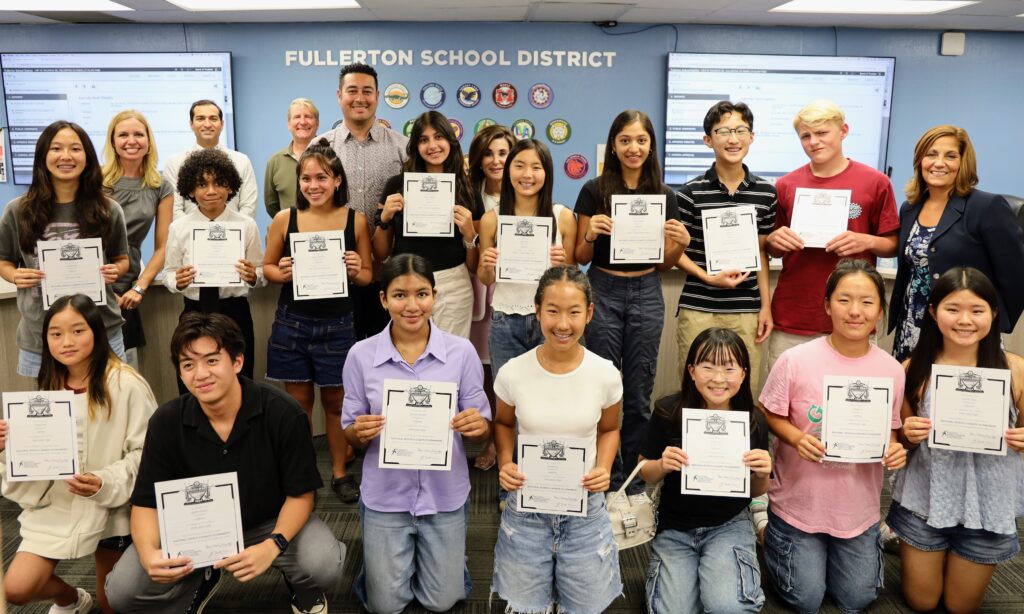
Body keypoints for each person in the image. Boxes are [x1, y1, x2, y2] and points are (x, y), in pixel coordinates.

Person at [105, 313, 344, 614]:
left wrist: (273, 545)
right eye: (188, 365)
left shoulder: (283, 413)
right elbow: (146, 503)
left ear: (238, 362)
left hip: (268, 522)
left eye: (212, 360)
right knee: (123, 591)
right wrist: (148, 552)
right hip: (192, 529)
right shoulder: (166, 422)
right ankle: (199, 580)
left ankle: (302, 590)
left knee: (321, 564)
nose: (200, 374)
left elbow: (301, 495)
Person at [342, 254, 491, 613]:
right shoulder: (360, 355)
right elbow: (349, 429)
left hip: (443, 495)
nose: (412, 305)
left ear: (435, 297)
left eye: (422, 294)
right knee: (386, 606)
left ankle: (447, 564)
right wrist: (358, 433)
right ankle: (385, 569)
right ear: (383, 300)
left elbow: (482, 425)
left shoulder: (462, 352)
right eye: (399, 295)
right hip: (385, 496)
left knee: (440, 602)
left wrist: (477, 426)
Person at [759, 259, 908, 613]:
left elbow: (890, 433)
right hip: (800, 503)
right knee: (805, 599)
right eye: (844, 300)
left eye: (867, 302)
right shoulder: (796, 360)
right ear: (827, 305)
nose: (855, 311)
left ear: (880, 310)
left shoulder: (890, 369)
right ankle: (767, 528)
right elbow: (771, 412)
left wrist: (895, 449)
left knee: (858, 598)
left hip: (857, 508)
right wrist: (796, 438)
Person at [1, 294, 156, 614]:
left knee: (112, 602)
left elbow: (149, 453)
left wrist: (103, 481)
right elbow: (38, 458)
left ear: (97, 333)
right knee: (15, 589)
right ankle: (71, 599)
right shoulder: (50, 386)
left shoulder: (127, 384)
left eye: (78, 331)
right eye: (55, 334)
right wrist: (8, 450)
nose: (66, 341)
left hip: (112, 507)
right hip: (58, 502)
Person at [888, 267, 1024, 613]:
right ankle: (902, 539)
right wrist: (908, 436)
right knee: (922, 602)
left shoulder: (1016, 369)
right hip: (927, 500)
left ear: (993, 314)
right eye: (953, 309)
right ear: (933, 313)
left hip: (987, 504)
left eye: (977, 310)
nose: (965, 320)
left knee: (960, 608)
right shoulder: (912, 369)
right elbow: (901, 445)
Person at [491, 265, 623, 614]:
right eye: (552, 311)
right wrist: (505, 462)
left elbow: (609, 430)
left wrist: (604, 467)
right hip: (527, 506)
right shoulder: (512, 372)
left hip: (584, 505)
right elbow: (503, 424)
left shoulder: (605, 374)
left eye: (574, 312)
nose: (562, 324)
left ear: (589, 313)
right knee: (524, 608)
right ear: (537, 311)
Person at [574, 109, 690, 493]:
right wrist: (589, 233)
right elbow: (579, 255)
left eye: (641, 140)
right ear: (614, 144)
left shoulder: (665, 195)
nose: (633, 147)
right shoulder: (594, 190)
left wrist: (681, 245)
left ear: (651, 145)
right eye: (625, 140)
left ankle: (633, 482)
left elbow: (664, 263)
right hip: (602, 289)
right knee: (602, 389)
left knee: (639, 392)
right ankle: (604, 474)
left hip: (646, 292)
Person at [263, 139, 373, 504]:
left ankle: (340, 473)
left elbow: (368, 276)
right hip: (292, 324)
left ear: (338, 180)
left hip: (339, 325)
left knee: (337, 405)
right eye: (306, 178)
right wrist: (280, 272)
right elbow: (267, 267)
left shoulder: (355, 220)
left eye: (322, 177)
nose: (314, 185)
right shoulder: (285, 219)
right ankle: (304, 475)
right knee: (298, 408)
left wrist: (358, 270)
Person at [640, 327, 771, 614]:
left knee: (730, 608)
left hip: (728, 523)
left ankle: (713, 580)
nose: (718, 378)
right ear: (691, 371)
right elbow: (644, 471)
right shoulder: (668, 411)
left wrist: (763, 474)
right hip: (676, 526)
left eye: (729, 368)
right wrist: (661, 465)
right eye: (708, 367)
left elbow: (756, 492)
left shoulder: (753, 421)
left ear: (744, 373)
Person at [765, 99, 900, 370]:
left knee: (851, 404)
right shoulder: (786, 184)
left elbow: (893, 245)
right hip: (795, 316)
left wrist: (866, 240)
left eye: (822, 133)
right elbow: (773, 247)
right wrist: (773, 241)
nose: (814, 141)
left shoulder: (875, 182)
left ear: (843, 131)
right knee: (784, 402)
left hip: (854, 318)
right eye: (806, 136)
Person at [0, 120, 130, 378]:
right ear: (43, 156)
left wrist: (115, 270)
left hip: (101, 327)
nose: (66, 156)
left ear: (88, 157)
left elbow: (122, 259)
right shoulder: (18, 210)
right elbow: (3, 261)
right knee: (55, 415)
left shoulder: (108, 209)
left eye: (75, 149)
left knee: (110, 408)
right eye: (56, 148)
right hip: (42, 334)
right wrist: (14, 275)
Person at [889, 126, 1024, 361]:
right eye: (931, 154)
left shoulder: (987, 207)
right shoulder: (910, 208)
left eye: (950, 156)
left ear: (963, 162)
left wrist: (990, 322)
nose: (939, 163)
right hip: (912, 327)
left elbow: (1016, 274)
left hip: (965, 332)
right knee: (913, 395)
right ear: (920, 160)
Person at [675, 101, 776, 393]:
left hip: (746, 308)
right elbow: (676, 253)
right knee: (695, 387)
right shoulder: (690, 192)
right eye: (723, 131)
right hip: (699, 305)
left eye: (741, 130)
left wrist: (766, 306)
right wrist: (707, 276)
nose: (733, 139)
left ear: (751, 137)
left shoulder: (766, 193)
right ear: (709, 140)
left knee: (743, 388)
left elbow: (761, 252)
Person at [317, 63, 408, 340]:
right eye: (352, 91)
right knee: (343, 359)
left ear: (378, 96)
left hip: (389, 273)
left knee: (389, 354)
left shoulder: (402, 148)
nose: (360, 98)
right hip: (338, 273)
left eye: (367, 91)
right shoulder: (321, 147)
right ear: (339, 95)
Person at [373, 111, 481, 338]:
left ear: (450, 141)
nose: (432, 145)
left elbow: (473, 267)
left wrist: (470, 234)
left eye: (439, 137)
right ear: (415, 146)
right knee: (408, 357)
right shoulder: (397, 185)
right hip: (406, 281)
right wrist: (384, 220)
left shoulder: (467, 189)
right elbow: (380, 253)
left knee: (451, 360)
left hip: (454, 284)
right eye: (424, 140)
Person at [162, 148, 265, 384]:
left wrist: (252, 276)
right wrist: (176, 281)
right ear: (190, 190)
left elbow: (260, 272)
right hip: (194, 312)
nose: (211, 191)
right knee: (195, 382)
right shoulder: (180, 228)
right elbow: (168, 273)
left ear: (230, 186)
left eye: (219, 183)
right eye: (202, 185)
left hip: (235, 312)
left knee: (241, 379)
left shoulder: (246, 225)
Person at [101, 109, 174, 361]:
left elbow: (163, 246)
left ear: (149, 141)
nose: (131, 141)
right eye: (123, 135)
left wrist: (139, 288)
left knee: (125, 368)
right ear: (112, 141)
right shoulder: (95, 181)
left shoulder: (159, 185)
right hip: (93, 282)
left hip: (126, 287)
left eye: (138, 134)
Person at [466, 124, 514, 471]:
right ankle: (486, 437)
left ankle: (502, 447)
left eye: (503, 153)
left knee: (506, 373)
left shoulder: (526, 191)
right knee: (481, 369)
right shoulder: (467, 194)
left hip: (511, 291)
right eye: (489, 153)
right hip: (472, 285)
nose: (496, 160)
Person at [163, 99, 258, 220]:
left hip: (235, 235)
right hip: (189, 236)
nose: (207, 124)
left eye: (213, 119)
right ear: (191, 124)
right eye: (200, 118)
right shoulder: (174, 163)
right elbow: (174, 209)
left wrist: (229, 233)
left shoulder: (242, 161)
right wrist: (199, 233)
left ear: (222, 124)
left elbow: (248, 207)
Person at [264, 98, 320, 217]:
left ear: (317, 123)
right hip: (290, 232)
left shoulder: (331, 157)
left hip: (326, 232)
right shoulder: (275, 162)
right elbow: (271, 205)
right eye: (297, 117)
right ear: (289, 124)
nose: (303, 122)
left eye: (308, 116)